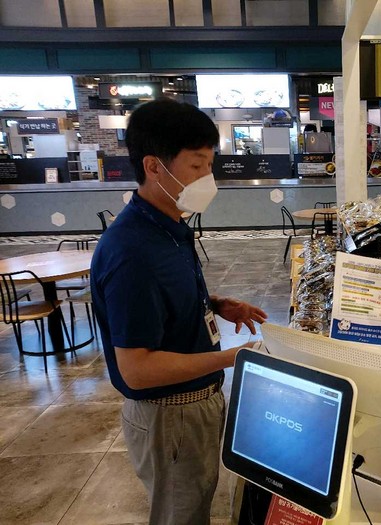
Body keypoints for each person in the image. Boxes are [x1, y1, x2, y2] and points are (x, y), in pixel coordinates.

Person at [91, 98, 268, 524]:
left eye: (210, 165)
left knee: (195, 508)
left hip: (195, 405)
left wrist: (212, 305)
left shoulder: (169, 226)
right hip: (170, 415)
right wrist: (234, 358)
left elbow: (160, 299)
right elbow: (137, 369)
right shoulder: (132, 251)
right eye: (196, 165)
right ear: (154, 167)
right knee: (180, 515)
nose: (208, 178)